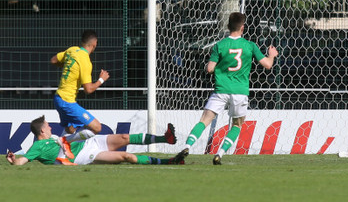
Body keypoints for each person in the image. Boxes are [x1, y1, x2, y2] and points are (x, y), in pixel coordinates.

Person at [174, 12, 278, 165]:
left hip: (221, 90)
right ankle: (220, 154)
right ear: (242, 27)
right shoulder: (250, 46)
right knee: (237, 125)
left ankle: (187, 146)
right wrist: (272, 55)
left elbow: (209, 69)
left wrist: (208, 65)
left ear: (228, 26)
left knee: (204, 121)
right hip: (240, 92)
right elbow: (268, 65)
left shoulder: (220, 45)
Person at [6, 115, 180, 166]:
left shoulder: (51, 137)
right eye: (48, 125)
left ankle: (165, 138)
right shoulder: (37, 146)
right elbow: (23, 160)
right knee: (126, 157)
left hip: (91, 143)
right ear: (42, 130)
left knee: (124, 138)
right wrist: (14, 161)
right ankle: (168, 161)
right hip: (84, 156)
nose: (51, 127)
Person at [50, 30, 109, 142]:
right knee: (97, 127)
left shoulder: (72, 50)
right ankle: (62, 142)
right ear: (94, 43)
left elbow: (53, 60)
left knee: (70, 130)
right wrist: (102, 79)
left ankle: (60, 154)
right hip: (67, 101)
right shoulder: (85, 60)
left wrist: (68, 66)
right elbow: (88, 89)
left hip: (58, 99)